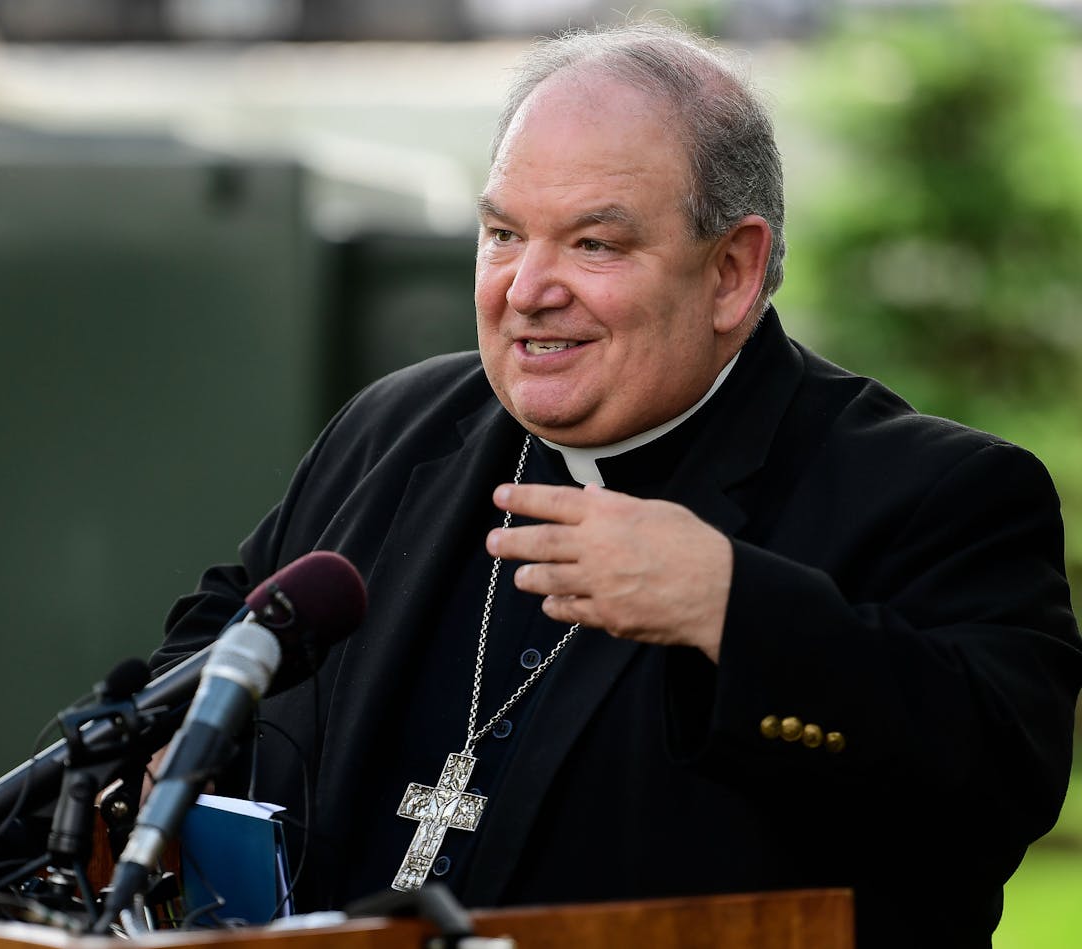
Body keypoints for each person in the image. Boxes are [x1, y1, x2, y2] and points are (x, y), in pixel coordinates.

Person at [150, 21, 1082, 948]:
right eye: (504, 233)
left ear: (731, 270)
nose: (527, 288)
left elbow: (997, 776)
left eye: (593, 245)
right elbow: (214, 645)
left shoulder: (941, 495)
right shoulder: (392, 430)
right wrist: (150, 752)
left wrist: (730, 607)